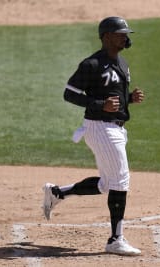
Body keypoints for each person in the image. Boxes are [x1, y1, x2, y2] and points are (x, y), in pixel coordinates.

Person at [42, 16, 144, 256]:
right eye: (120, 34)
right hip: (100, 128)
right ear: (107, 36)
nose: (125, 37)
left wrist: (130, 99)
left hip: (116, 128)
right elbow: (70, 93)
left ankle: (57, 193)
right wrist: (99, 104)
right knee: (121, 182)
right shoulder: (92, 64)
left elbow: (115, 98)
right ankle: (115, 239)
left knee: (107, 184)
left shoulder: (123, 63)